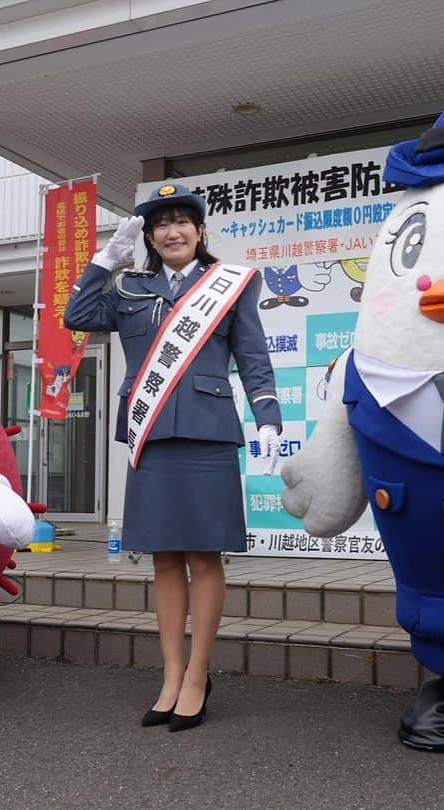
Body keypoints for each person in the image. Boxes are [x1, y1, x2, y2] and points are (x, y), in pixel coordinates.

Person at [64, 183, 282, 731]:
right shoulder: (130, 288)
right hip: (152, 435)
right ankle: (171, 674)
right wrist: (102, 262)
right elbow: (78, 316)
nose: (173, 231)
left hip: (208, 436)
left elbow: (253, 357)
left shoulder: (229, 286)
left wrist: (270, 420)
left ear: (201, 231)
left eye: (183, 221)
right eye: (161, 224)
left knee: (205, 557)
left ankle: (198, 675)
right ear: (151, 236)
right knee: (163, 557)